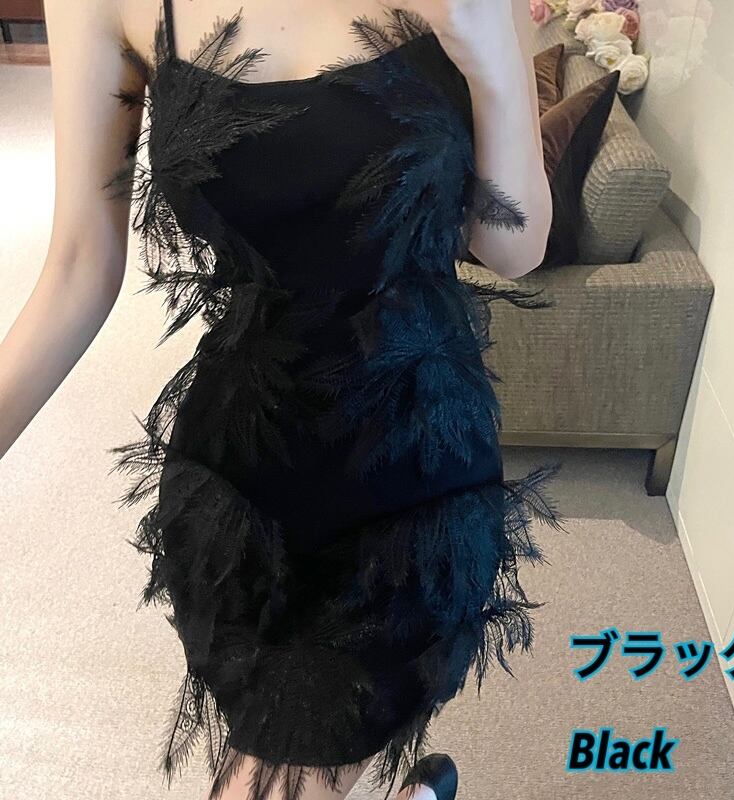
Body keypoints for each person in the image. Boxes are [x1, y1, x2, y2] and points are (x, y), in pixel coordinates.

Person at [0, 1, 563, 799]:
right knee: (270, 754)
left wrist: (492, 67)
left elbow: (513, 249)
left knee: (276, 776)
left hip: (409, 473)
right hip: (236, 490)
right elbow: (76, 268)